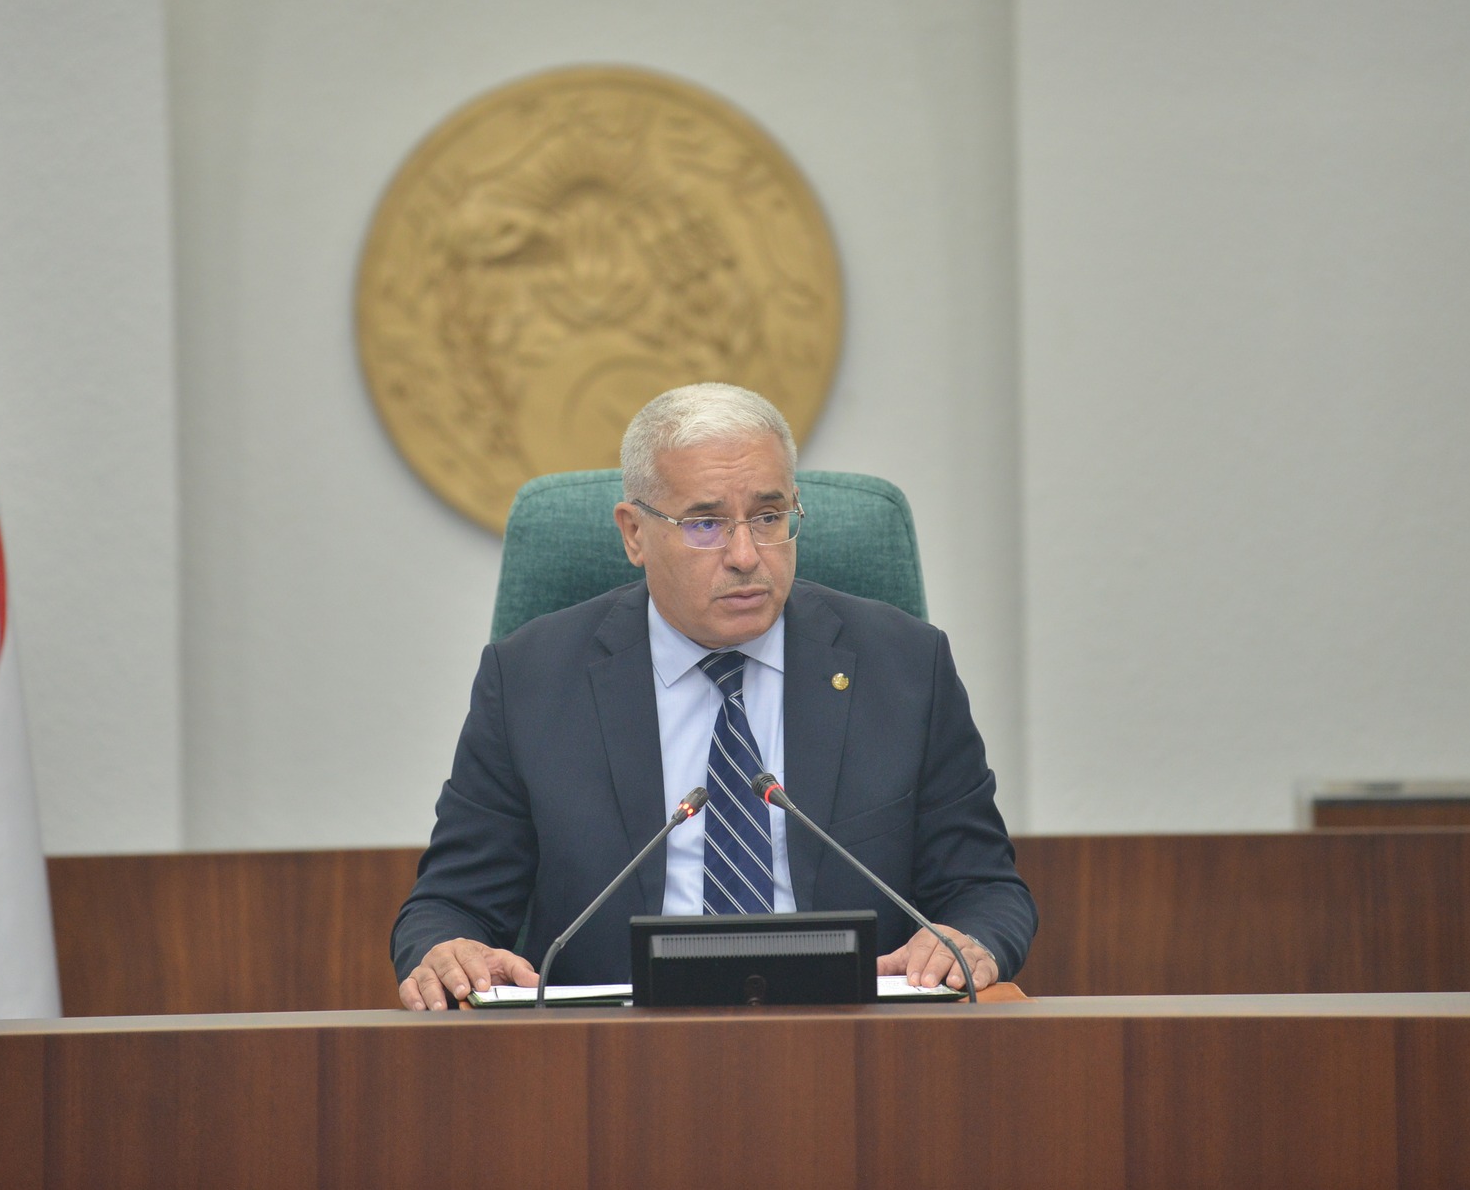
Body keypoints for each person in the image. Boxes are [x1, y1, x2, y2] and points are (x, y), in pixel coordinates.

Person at [393, 383, 1036, 1009]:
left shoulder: (904, 667)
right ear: (634, 534)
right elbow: (453, 904)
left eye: (768, 517)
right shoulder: (530, 680)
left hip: (855, 1048)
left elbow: (984, 889)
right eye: (705, 524)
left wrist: (965, 939)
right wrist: (450, 948)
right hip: (609, 1063)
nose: (746, 555)